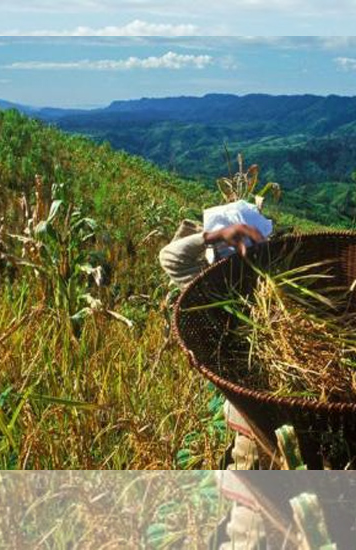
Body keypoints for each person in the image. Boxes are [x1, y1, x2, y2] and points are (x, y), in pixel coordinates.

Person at [159, 199, 272, 549]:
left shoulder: (273, 291)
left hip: (278, 426)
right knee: (250, 516)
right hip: (252, 429)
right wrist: (218, 235)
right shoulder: (208, 291)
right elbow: (172, 258)